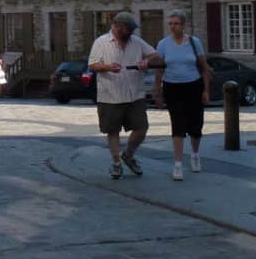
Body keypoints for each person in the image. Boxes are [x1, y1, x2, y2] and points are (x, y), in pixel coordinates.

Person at [88, 12, 161, 180]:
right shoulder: (101, 42)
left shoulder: (136, 42)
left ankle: (128, 154)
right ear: (118, 27)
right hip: (110, 94)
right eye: (129, 29)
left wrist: (147, 62)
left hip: (135, 93)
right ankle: (116, 163)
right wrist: (107, 67)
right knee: (112, 130)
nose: (131, 33)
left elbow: (156, 56)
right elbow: (92, 64)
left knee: (141, 128)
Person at [155, 10, 212, 181]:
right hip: (172, 87)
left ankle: (195, 155)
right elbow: (159, 70)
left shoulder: (194, 43)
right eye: (170, 23)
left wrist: (206, 90)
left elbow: (204, 68)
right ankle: (178, 165)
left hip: (193, 86)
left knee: (195, 126)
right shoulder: (163, 44)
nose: (172, 27)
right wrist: (157, 92)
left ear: (183, 25)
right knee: (177, 124)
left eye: (176, 23)